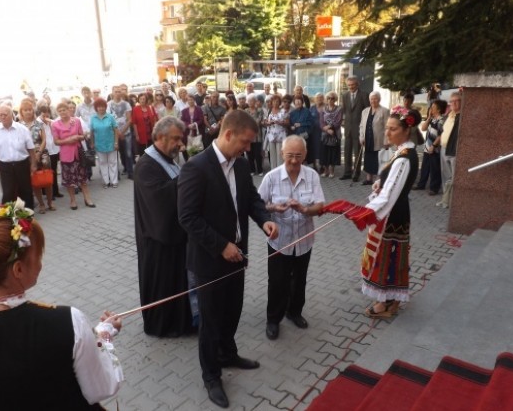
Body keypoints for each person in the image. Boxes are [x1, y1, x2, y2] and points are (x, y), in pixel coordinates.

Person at [0, 199, 124, 409]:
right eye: (38, 256)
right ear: (18, 270)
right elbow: (102, 387)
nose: (41, 264)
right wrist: (103, 337)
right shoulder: (69, 322)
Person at [178, 110, 278, 409]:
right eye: (245, 142)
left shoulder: (242, 164)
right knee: (211, 320)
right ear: (228, 134)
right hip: (210, 259)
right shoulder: (196, 167)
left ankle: (228, 353)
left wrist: (265, 220)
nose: (248, 148)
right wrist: (221, 246)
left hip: (238, 255)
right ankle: (211, 375)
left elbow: (251, 200)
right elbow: (187, 218)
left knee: (233, 310)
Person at [321, 111, 420, 318]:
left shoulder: (404, 158)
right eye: (387, 128)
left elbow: (390, 194)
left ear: (406, 131)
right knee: (389, 255)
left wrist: (366, 212)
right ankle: (388, 299)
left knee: (387, 256)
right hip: (394, 212)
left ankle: (386, 302)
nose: (388, 132)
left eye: (393, 129)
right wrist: (378, 185)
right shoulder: (401, 152)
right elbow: (389, 184)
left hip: (393, 216)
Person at [258, 135, 324, 340]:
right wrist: (273, 207)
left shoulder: (312, 175)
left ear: (305, 155)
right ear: (282, 154)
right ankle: (273, 319)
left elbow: (320, 207)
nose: (294, 161)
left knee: (300, 280)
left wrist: (305, 209)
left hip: (304, 240)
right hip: (279, 240)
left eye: (298, 156)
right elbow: (258, 205)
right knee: (277, 282)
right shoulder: (271, 177)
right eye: (289, 156)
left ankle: (294, 312)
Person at [134, 117, 193, 337]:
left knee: (177, 282)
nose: (180, 144)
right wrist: (189, 175)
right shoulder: (146, 165)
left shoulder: (167, 158)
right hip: (157, 237)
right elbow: (159, 198)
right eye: (176, 139)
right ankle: (163, 325)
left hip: (173, 234)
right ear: (160, 137)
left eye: (181, 139)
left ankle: (181, 321)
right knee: (162, 283)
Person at [0, 105, 36, 210]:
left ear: (11, 114)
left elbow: (31, 148)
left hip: (22, 164)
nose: (3, 117)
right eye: (0, 115)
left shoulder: (22, 129)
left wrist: (34, 164)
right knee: (8, 192)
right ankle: (8, 214)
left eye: (5, 114)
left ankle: (27, 213)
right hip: (5, 166)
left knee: (25, 190)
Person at [51, 102, 96, 210]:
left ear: (69, 110)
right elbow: (56, 142)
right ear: (58, 112)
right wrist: (69, 140)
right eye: (60, 111)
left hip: (78, 153)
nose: (62, 112)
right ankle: (72, 200)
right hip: (66, 155)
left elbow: (82, 135)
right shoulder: (55, 125)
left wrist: (81, 136)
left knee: (83, 177)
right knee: (69, 180)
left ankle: (87, 198)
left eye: (64, 110)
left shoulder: (76, 121)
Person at [19, 99, 54, 213]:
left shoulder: (38, 123)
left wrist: (39, 153)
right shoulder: (19, 126)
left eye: (30, 110)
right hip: (28, 156)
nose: (28, 112)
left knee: (47, 179)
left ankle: (50, 202)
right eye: (25, 110)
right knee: (35, 181)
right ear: (22, 112)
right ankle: (41, 204)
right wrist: (32, 155)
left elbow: (44, 139)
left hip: (42, 153)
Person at [340, 76, 370, 181]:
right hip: (348, 127)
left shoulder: (364, 95)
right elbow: (344, 110)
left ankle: (356, 174)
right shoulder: (344, 95)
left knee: (357, 152)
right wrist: (343, 121)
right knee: (347, 151)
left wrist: (365, 127)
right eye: (349, 85)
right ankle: (347, 172)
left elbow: (367, 112)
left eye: (353, 85)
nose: (351, 87)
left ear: (357, 84)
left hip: (359, 127)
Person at [414, 99, 447, 195]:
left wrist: (433, 146)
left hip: (434, 148)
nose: (431, 109)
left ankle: (434, 188)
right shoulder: (432, 119)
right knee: (425, 167)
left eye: (433, 107)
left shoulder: (441, 120)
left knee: (435, 169)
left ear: (439, 109)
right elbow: (423, 128)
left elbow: (441, 135)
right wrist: (428, 118)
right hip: (427, 148)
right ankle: (421, 184)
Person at [359, 91, 390, 185]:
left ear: (379, 99)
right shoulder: (365, 111)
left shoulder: (384, 111)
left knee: (378, 160)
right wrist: (361, 137)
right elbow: (361, 126)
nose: (373, 100)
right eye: (371, 99)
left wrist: (386, 140)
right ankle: (369, 179)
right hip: (367, 139)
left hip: (379, 140)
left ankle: (378, 180)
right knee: (368, 159)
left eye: (375, 98)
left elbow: (387, 127)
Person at [437, 92, 461, 209]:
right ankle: (445, 199)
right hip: (444, 148)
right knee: (445, 176)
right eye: (452, 101)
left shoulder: (462, 116)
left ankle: (452, 201)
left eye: (457, 101)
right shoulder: (449, 115)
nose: (454, 103)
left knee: (454, 177)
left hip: (454, 150)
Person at [90, 97, 119, 189]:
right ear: (96, 108)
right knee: (102, 163)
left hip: (111, 143)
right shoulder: (93, 118)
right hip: (99, 145)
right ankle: (106, 182)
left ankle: (114, 181)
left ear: (105, 107)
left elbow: (116, 130)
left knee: (113, 162)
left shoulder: (110, 117)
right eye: (99, 107)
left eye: (103, 106)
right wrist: (92, 142)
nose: (101, 108)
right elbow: (91, 132)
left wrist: (116, 142)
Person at [37, 105, 63, 200]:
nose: (46, 114)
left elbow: (59, 126)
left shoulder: (51, 122)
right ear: (40, 113)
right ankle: (48, 193)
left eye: (47, 112)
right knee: (46, 173)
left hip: (54, 149)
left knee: (54, 171)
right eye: (43, 112)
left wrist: (51, 123)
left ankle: (56, 191)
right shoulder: (38, 123)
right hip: (45, 150)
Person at [107, 87, 132, 178]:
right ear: (112, 93)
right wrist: (118, 133)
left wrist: (122, 132)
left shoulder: (126, 104)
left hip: (126, 133)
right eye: (116, 92)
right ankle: (116, 175)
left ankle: (130, 173)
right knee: (115, 155)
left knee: (128, 154)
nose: (117, 93)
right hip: (114, 134)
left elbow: (129, 120)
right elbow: (109, 120)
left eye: (119, 92)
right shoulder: (108, 105)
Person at [320, 91, 343, 178]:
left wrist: (330, 127)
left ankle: (331, 171)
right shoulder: (323, 109)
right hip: (325, 134)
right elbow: (321, 121)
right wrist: (325, 129)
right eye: (328, 98)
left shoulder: (339, 109)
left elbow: (339, 121)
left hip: (335, 133)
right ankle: (325, 171)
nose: (330, 100)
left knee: (333, 153)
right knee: (325, 153)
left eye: (332, 98)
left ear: (335, 99)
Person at [264, 94, 287, 170]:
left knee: (279, 155)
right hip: (271, 136)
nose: (275, 103)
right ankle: (273, 170)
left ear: (280, 102)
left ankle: (280, 170)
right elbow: (266, 122)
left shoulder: (283, 111)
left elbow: (287, 123)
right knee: (272, 155)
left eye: (277, 101)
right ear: (272, 102)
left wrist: (279, 122)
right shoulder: (270, 111)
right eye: (274, 101)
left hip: (280, 135)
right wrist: (268, 123)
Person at [245, 94, 265, 176]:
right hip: (248, 136)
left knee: (258, 154)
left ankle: (260, 170)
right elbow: (245, 122)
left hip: (257, 136)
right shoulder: (246, 111)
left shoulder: (260, 110)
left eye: (252, 101)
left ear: (255, 102)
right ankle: (252, 170)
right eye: (249, 101)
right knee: (250, 153)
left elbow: (258, 121)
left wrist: (251, 123)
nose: (250, 102)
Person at [308, 93, 325, 172]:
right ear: (315, 99)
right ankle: (314, 165)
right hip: (313, 132)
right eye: (317, 98)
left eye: (321, 98)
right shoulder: (312, 108)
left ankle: (322, 165)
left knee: (322, 148)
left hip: (323, 131)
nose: (319, 99)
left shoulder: (325, 107)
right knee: (314, 148)